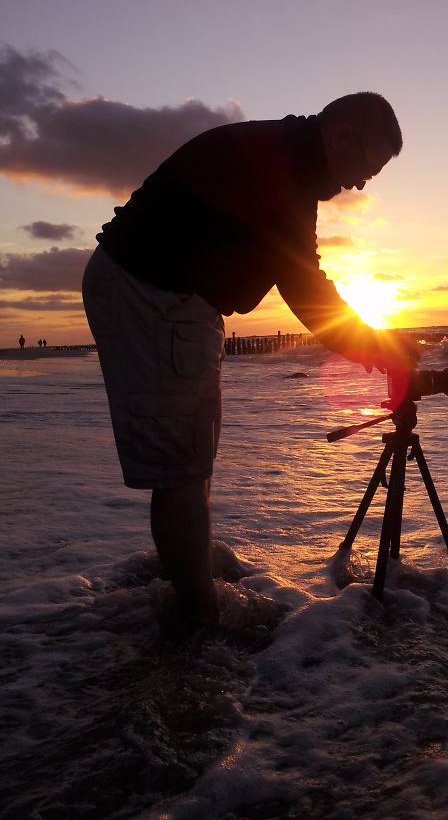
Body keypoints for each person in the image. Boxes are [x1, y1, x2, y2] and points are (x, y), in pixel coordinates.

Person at [82, 91, 417, 629]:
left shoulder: (288, 159)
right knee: (179, 471)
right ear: (340, 135)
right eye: (364, 169)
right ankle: (198, 623)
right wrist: (381, 349)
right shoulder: (281, 169)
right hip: (149, 293)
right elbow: (306, 290)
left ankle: (191, 586)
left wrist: (377, 347)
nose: (358, 184)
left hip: (177, 299)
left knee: (190, 463)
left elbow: (300, 277)